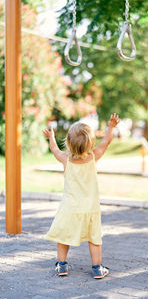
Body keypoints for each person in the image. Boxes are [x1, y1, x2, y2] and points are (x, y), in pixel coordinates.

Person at [43, 113, 120, 278]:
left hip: (69, 208)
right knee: (94, 238)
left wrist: (51, 137)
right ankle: (97, 268)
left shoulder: (66, 159)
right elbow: (106, 141)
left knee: (64, 236)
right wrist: (111, 127)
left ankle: (62, 266)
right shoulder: (94, 157)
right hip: (90, 209)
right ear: (91, 143)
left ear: (69, 143)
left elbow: (54, 149)